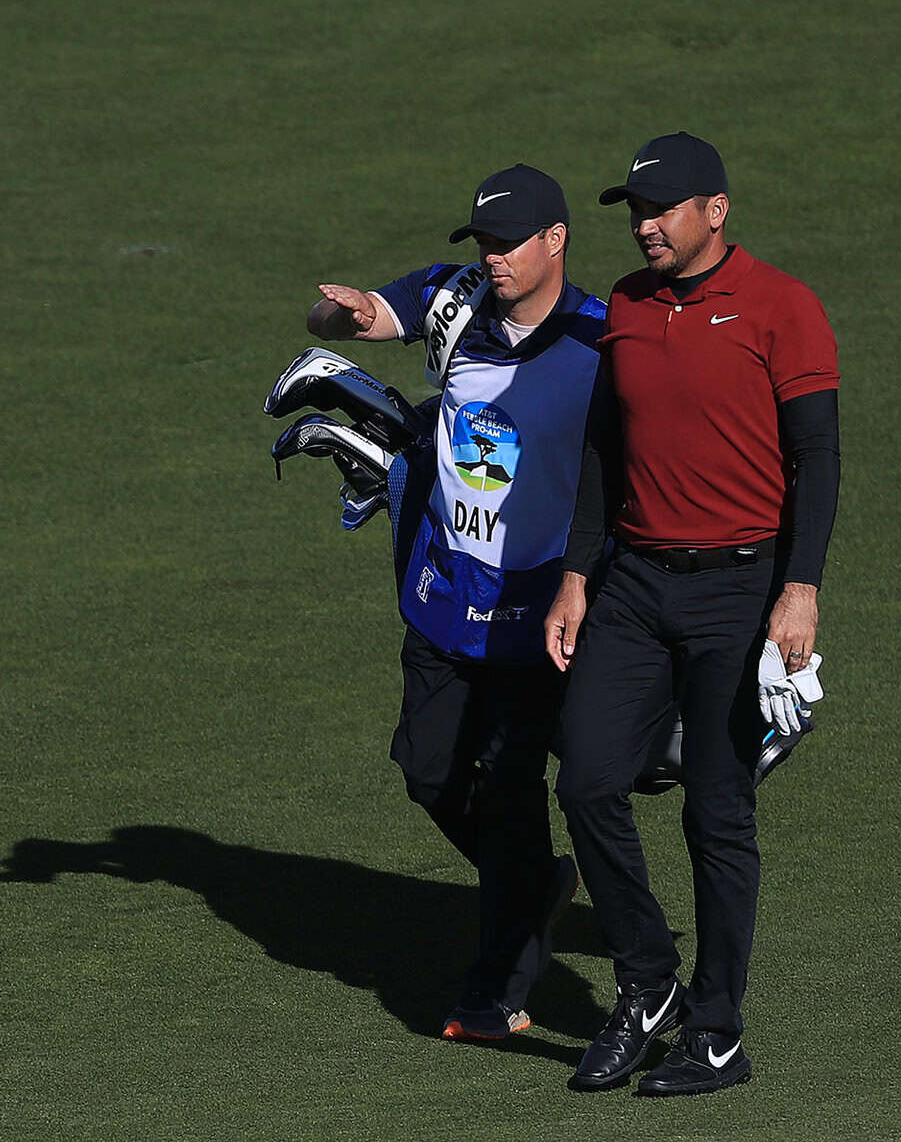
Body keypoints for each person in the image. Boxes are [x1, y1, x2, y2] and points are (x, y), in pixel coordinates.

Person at [544, 133, 841, 1095]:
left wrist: (800, 591)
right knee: (586, 780)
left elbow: (819, 463)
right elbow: (599, 445)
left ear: (716, 210)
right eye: (636, 210)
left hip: (740, 591)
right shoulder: (626, 305)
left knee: (718, 814)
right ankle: (647, 981)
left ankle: (716, 1033)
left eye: (664, 208)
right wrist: (578, 574)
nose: (645, 225)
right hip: (633, 583)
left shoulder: (782, 307)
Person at [306, 164, 604, 1043]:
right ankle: (536, 885)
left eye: (510, 241)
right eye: (482, 241)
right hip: (444, 588)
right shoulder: (457, 298)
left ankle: (496, 986)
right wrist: (346, 316)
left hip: (532, 600)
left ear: (556, 241)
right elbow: (371, 313)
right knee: (430, 770)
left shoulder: (601, 340)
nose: (493, 257)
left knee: (508, 786)